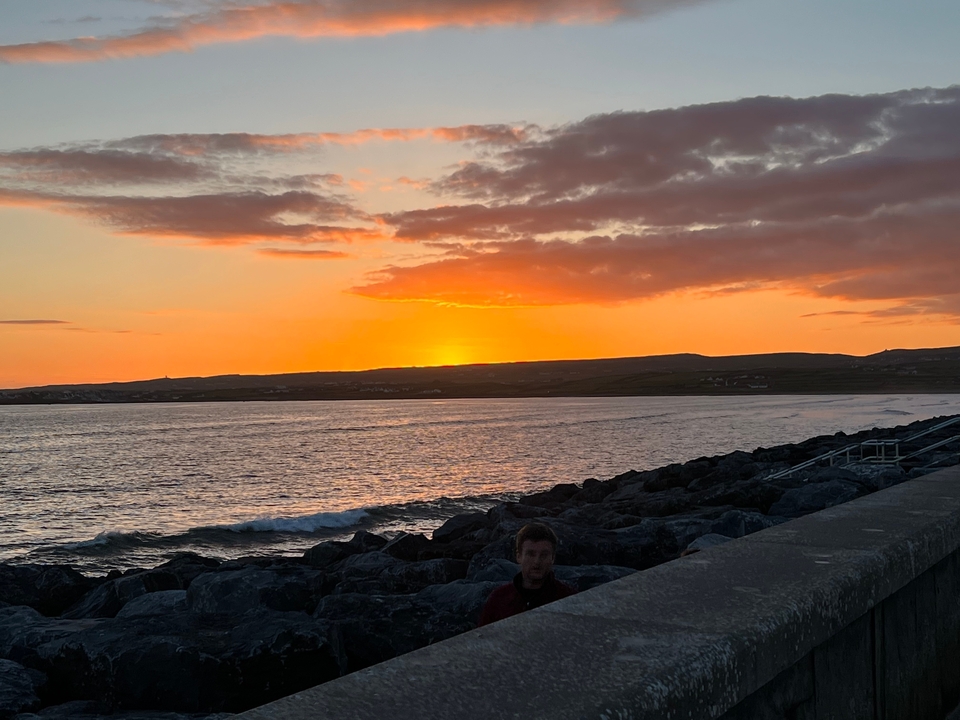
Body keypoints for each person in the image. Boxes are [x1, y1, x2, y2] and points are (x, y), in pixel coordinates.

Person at [478, 522, 576, 626]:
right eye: (530, 554)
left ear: (552, 558)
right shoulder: (498, 599)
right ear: (519, 556)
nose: (537, 561)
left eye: (544, 555)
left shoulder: (568, 600)